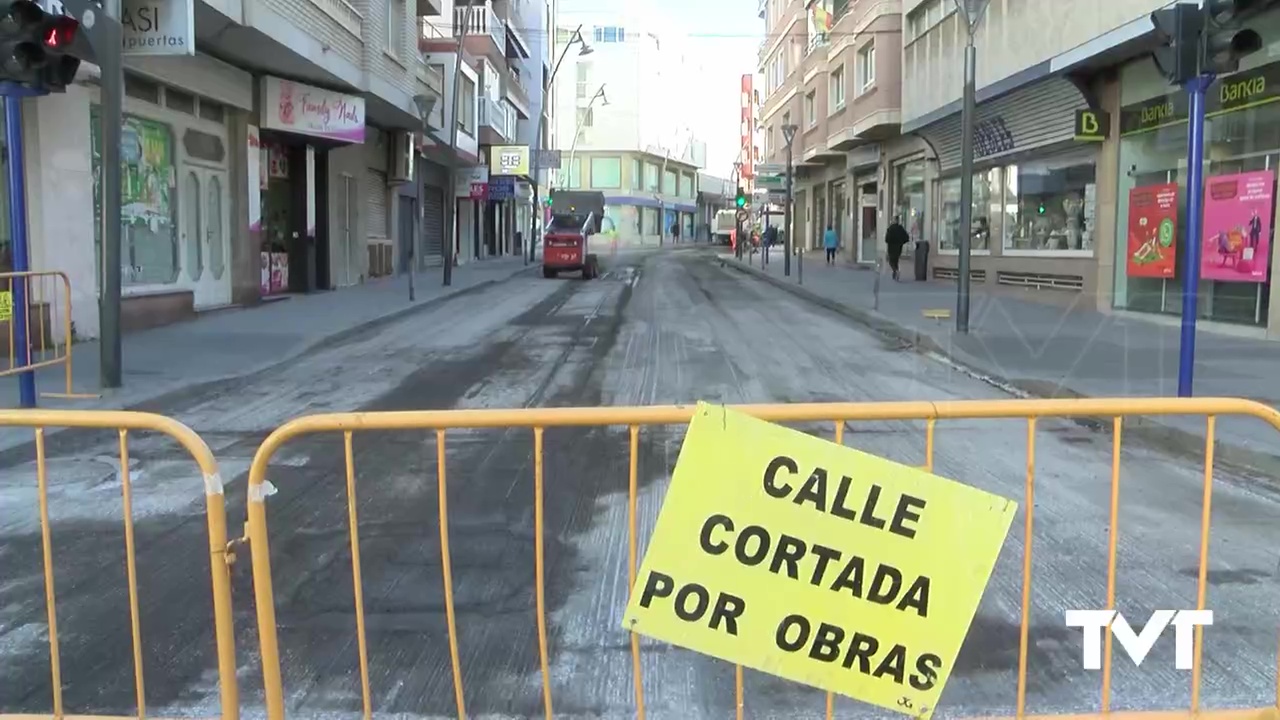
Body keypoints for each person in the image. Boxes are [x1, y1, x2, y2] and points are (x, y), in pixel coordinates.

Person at [885, 216, 910, 281]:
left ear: (894, 220)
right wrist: (901, 242)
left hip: (891, 247)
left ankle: (895, 271)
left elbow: (887, 239)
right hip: (898, 247)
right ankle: (895, 272)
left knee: (891, 261)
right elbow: (906, 237)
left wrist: (890, 241)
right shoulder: (900, 228)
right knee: (896, 260)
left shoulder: (891, 228)